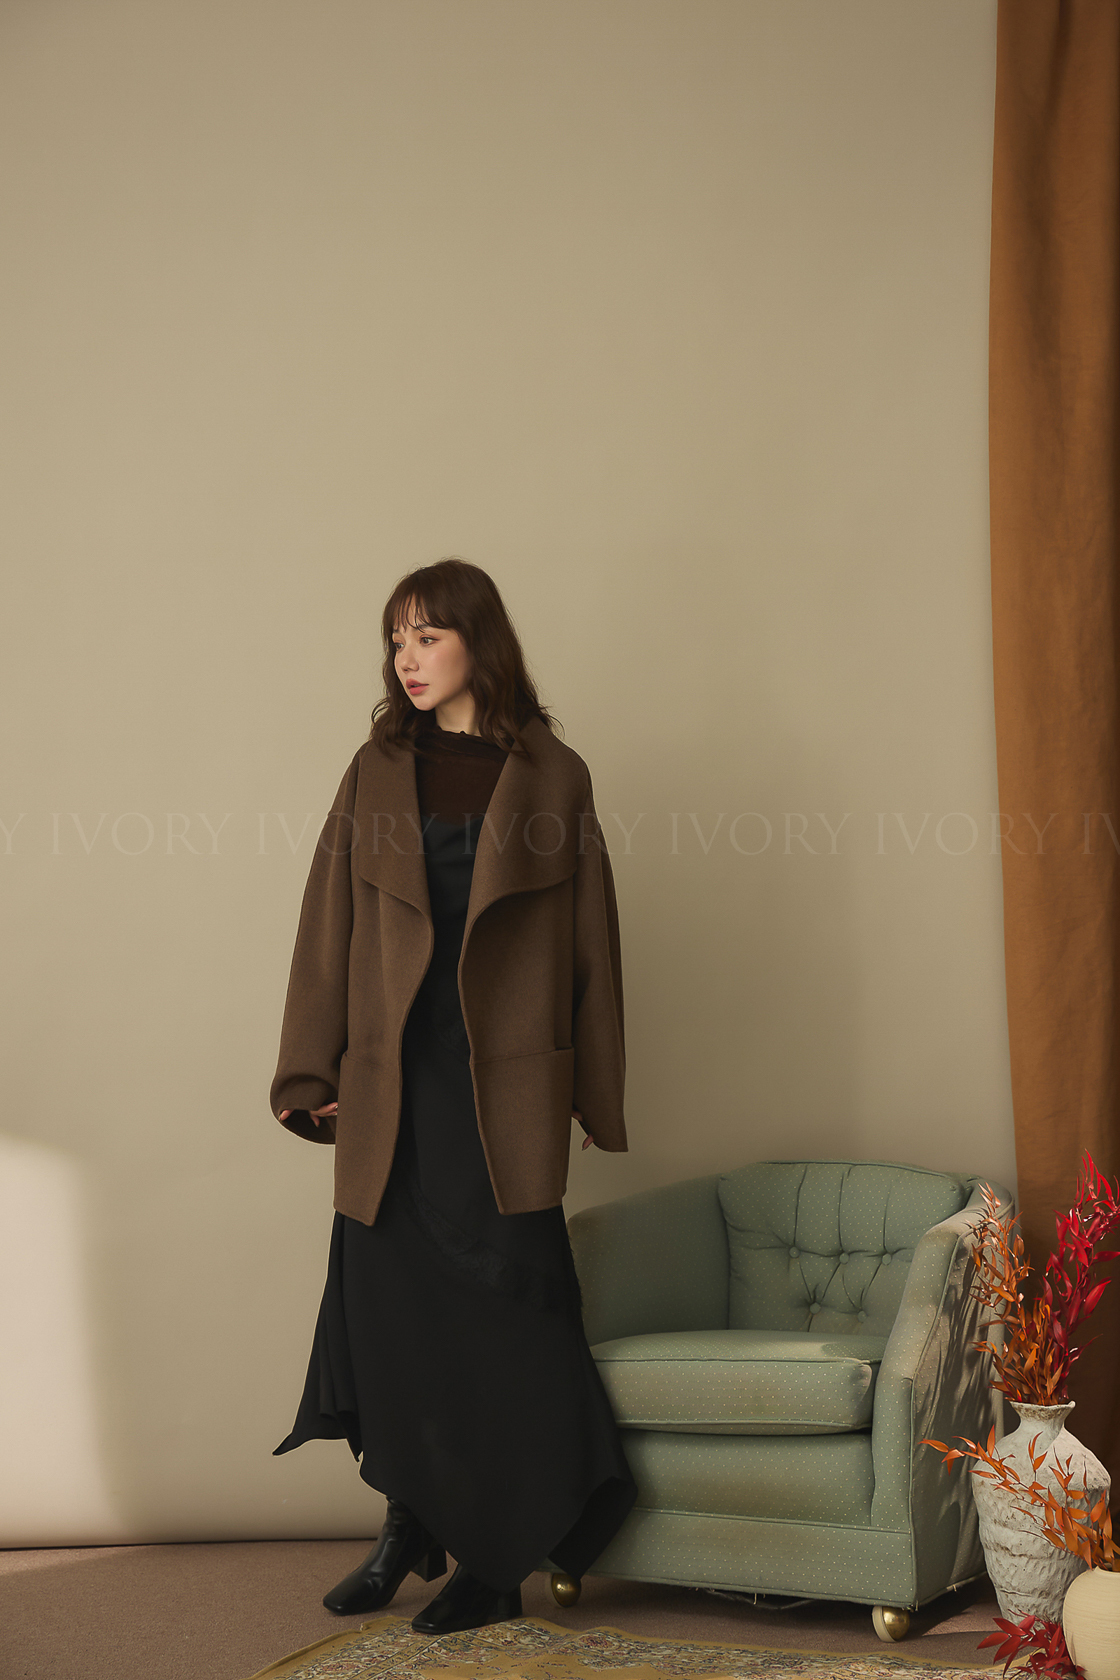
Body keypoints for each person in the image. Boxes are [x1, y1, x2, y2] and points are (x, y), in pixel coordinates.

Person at [269, 556, 637, 1635]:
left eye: (427, 635)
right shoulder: (376, 770)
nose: (407, 658)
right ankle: (407, 1523)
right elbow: (327, 924)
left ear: (481, 638)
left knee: (509, 1318)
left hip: (502, 1087)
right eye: (397, 639)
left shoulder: (553, 776)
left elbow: (592, 940)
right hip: (392, 1081)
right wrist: (308, 1072)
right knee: (394, 1317)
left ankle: (495, 1557)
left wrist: (594, 1089)